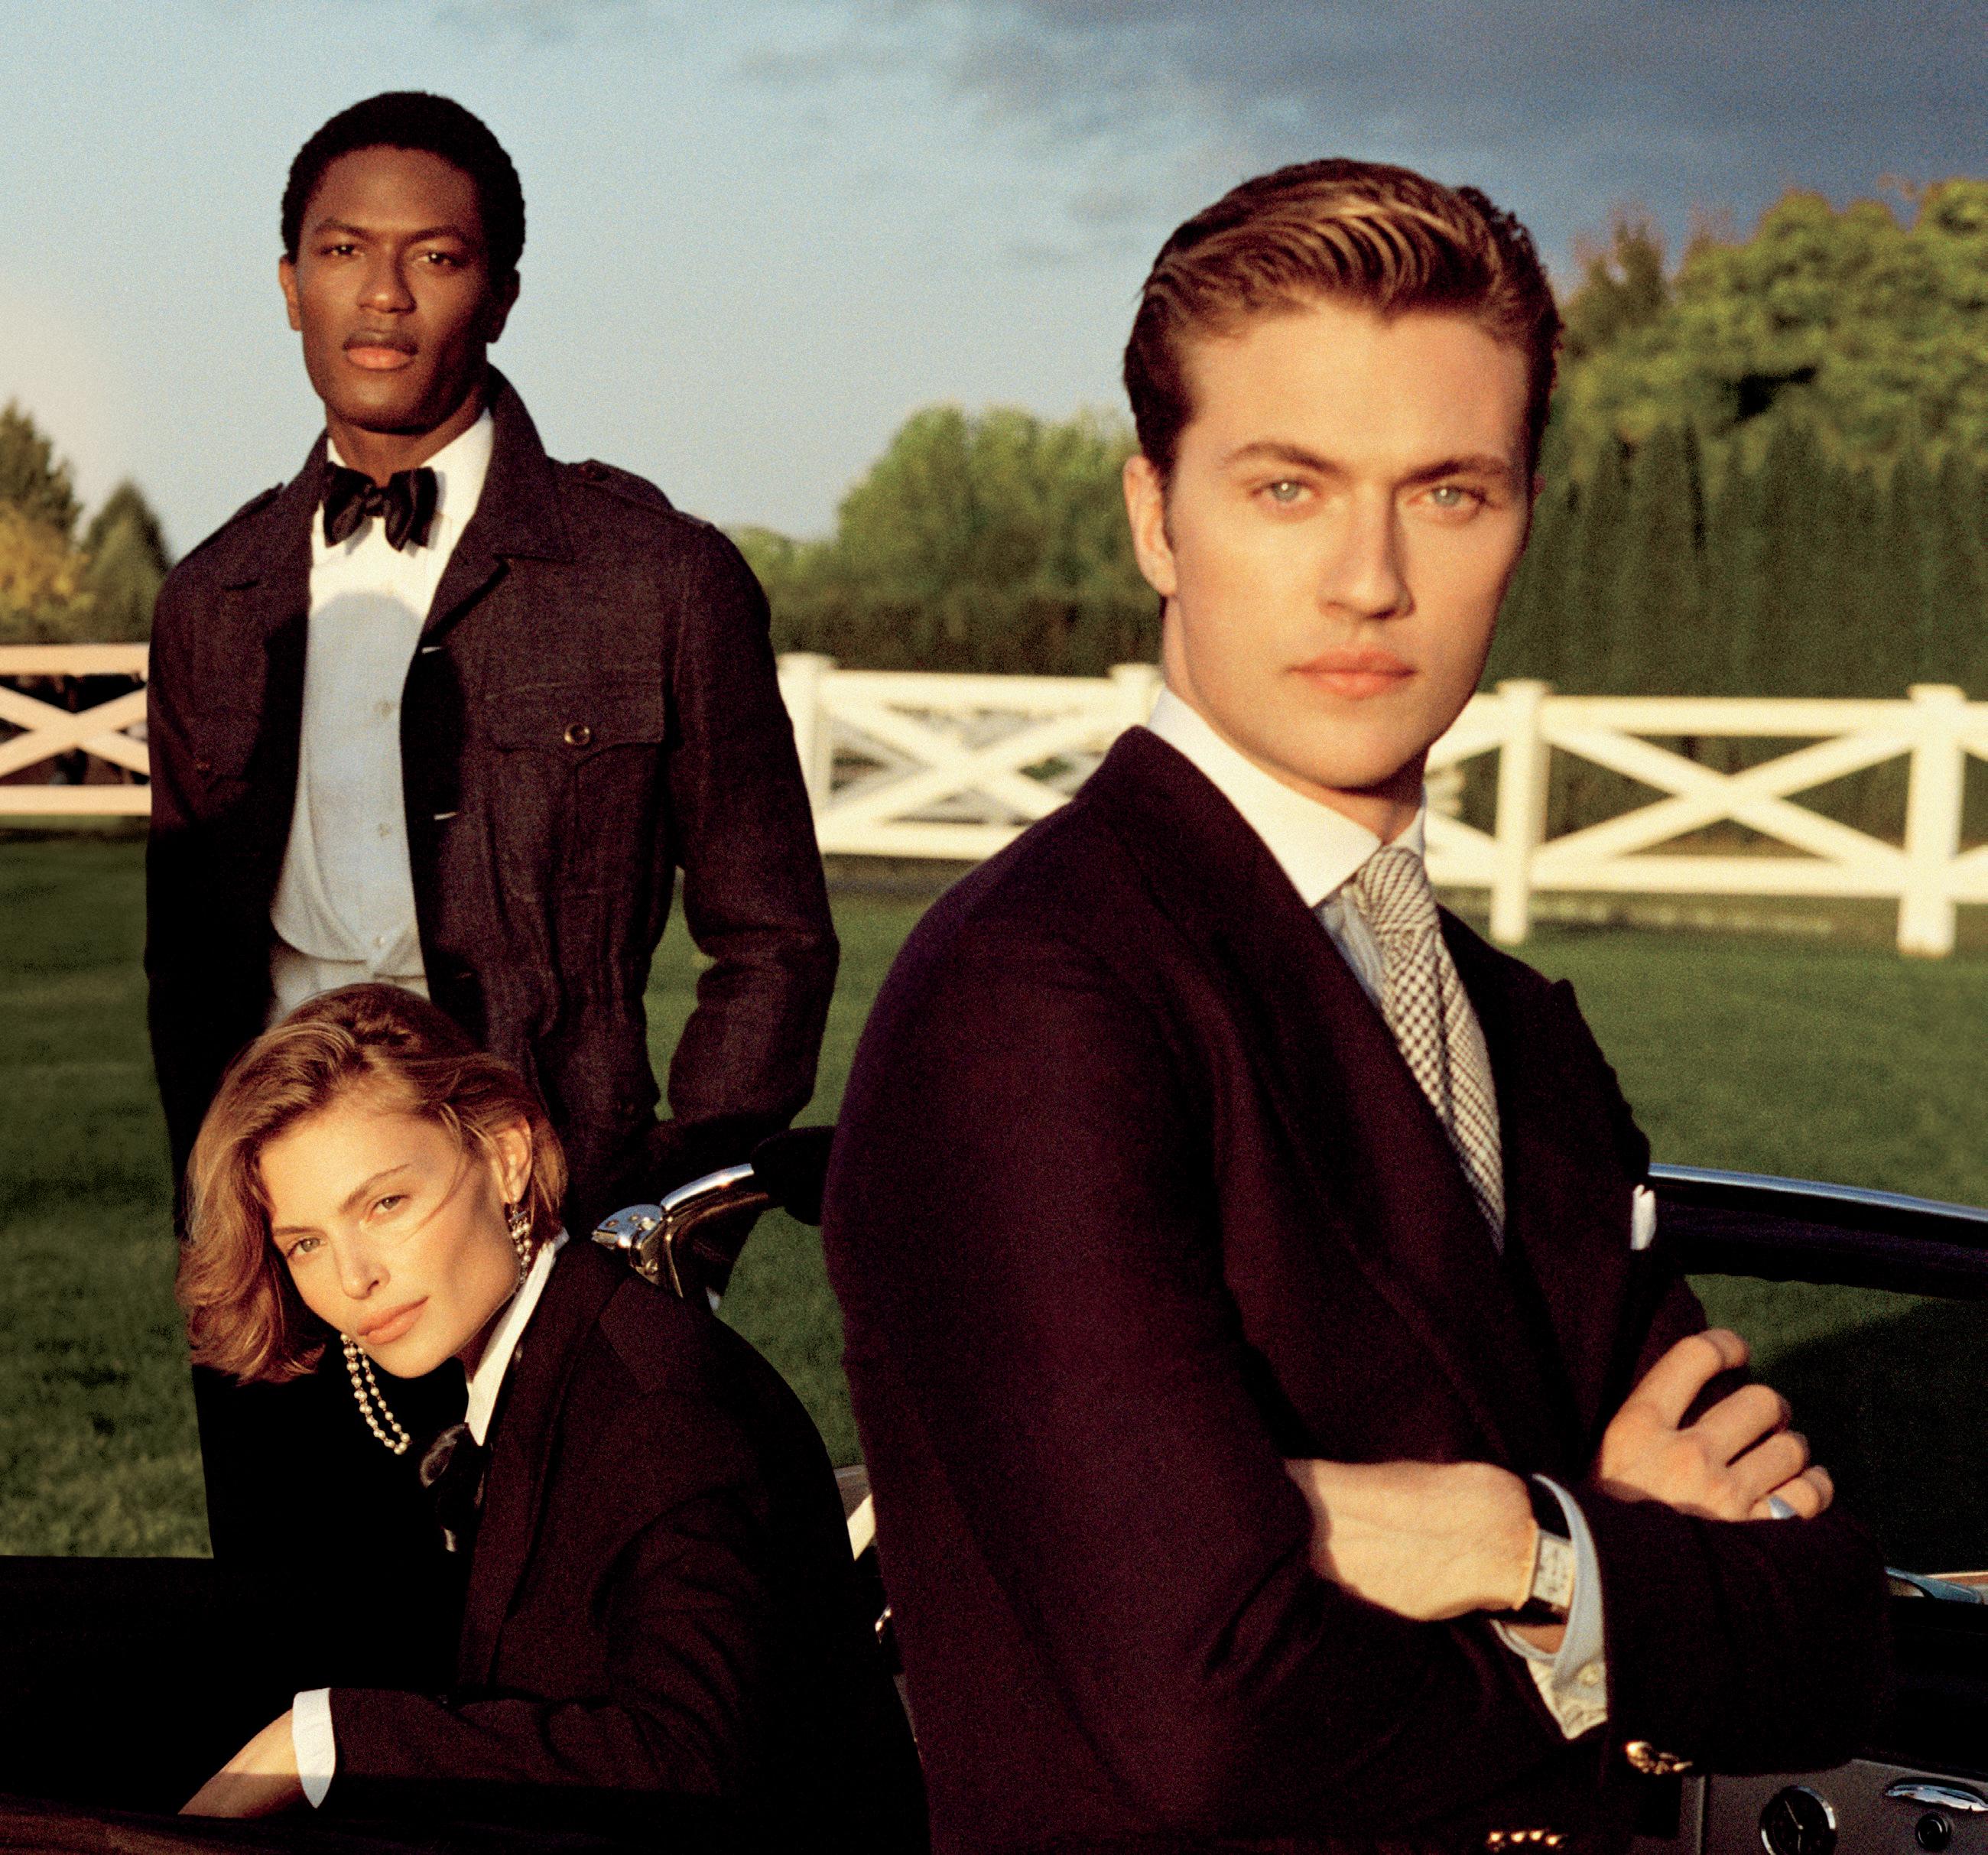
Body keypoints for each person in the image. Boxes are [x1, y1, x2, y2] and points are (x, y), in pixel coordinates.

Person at [820, 159, 1889, 1854]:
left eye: (1447, 492)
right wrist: (1605, 1575)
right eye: (1287, 486)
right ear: (1156, 519)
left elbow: (1822, 1627)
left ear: (1521, 519)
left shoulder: (1520, 1028)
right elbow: (1203, 1726)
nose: (1370, 579)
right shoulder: (1030, 995)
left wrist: (1504, 1543)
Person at [145, 91, 836, 1571]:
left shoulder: (659, 578)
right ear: (288, 285)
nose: (384, 295)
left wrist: (671, 1225)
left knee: (553, 1671)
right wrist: (229, 1225)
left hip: (556, 1242)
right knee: (304, 1659)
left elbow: (772, 940)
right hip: (292, 1268)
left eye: (436, 256)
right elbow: (185, 972)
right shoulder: (209, 600)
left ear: (503, 293)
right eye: (343, 251)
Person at [174, 984, 924, 1850]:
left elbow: (691, 1761)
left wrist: (322, 1742)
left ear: (505, 1156)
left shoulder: (657, 1409)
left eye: (385, 1204)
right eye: (305, 1242)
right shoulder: (537, 1363)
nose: (352, 1277)